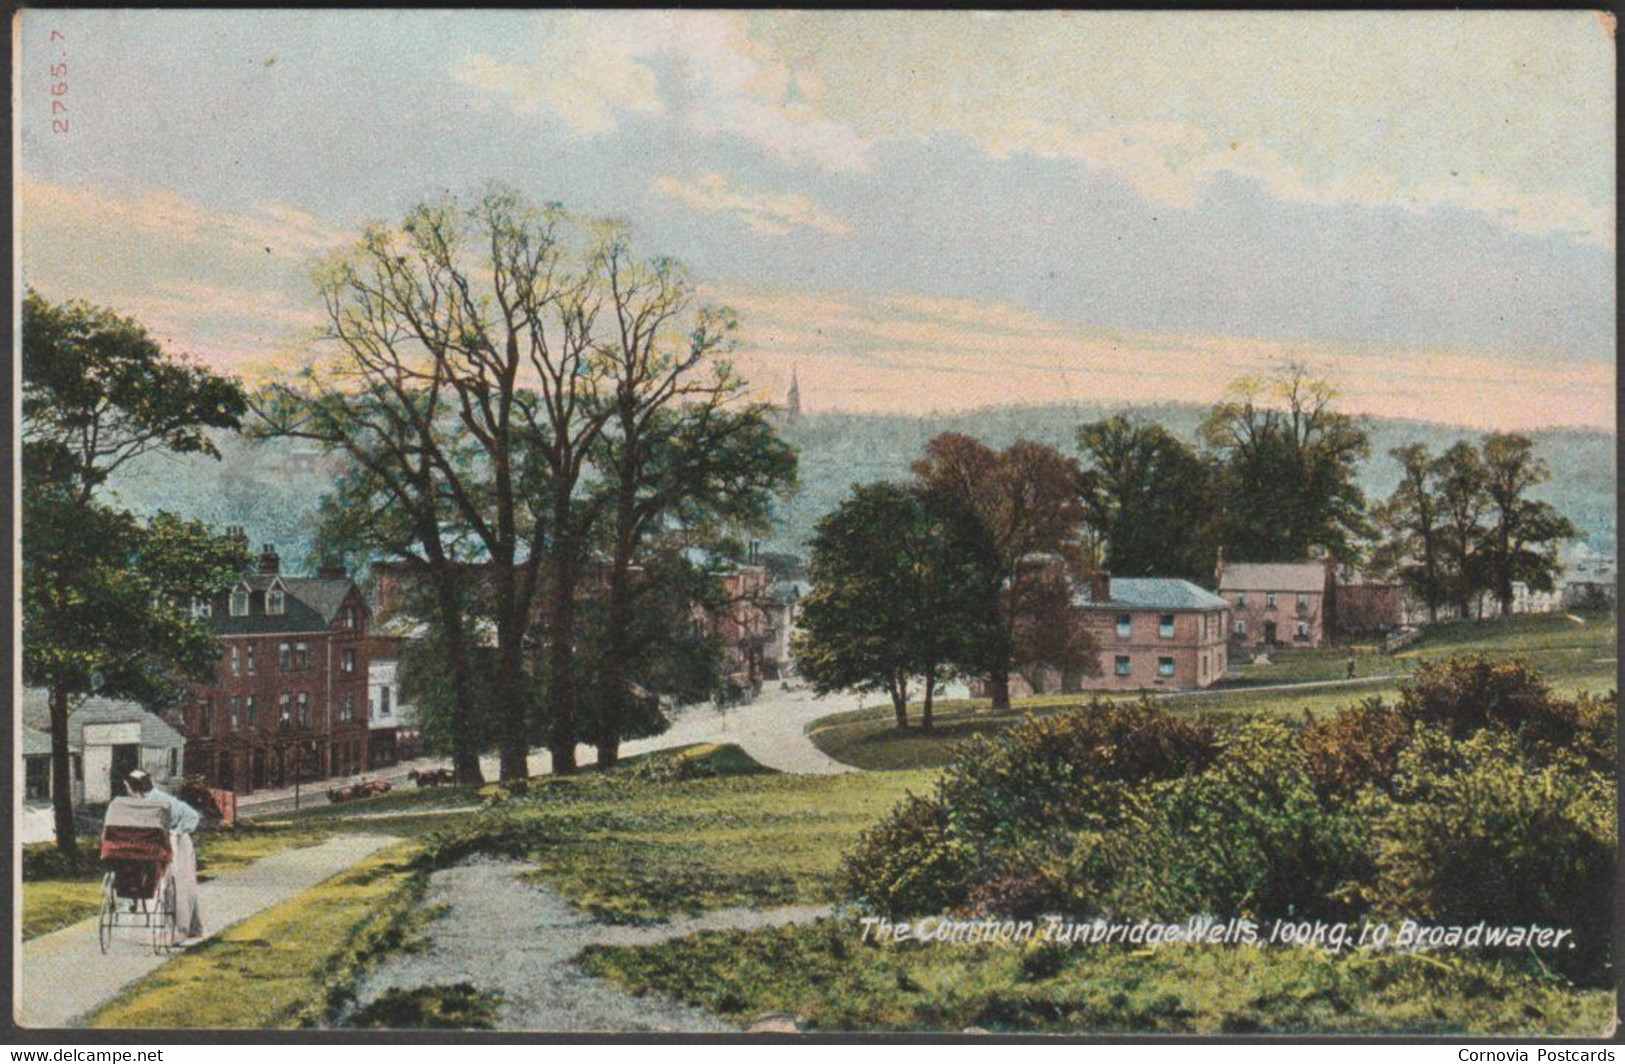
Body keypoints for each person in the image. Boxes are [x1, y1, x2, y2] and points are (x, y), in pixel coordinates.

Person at [123, 769, 203, 945]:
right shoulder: (141, 802)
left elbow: (192, 816)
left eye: (128, 787)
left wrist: (178, 831)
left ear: (136, 788)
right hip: (159, 844)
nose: (127, 791)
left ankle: (180, 929)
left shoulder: (161, 799)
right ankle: (157, 926)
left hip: (178, 844)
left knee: (178, 885)